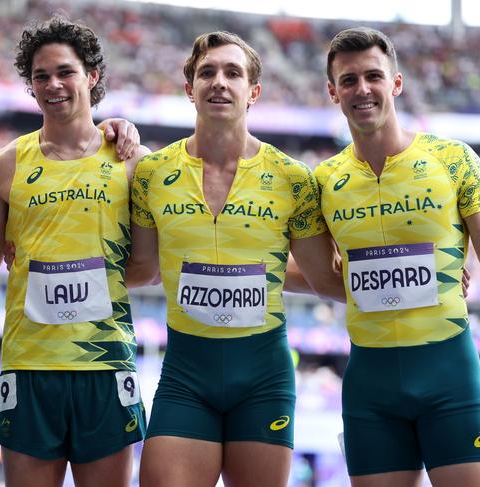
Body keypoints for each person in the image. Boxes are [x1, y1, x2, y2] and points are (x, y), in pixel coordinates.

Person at [127, 31, 344, 487]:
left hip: (263, 379)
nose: (219, 82)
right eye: (207, 72)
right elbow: (143, 269)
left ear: (254, 92)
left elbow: (324, 279)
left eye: (233, 73)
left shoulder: (292, 178)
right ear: (190, 89)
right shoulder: (153, 173)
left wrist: (434, 271)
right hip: (186, 377)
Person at [0, 16, 149, 487]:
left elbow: (148, 268)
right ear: (30, 86)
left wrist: (96, 275)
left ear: (91, 76)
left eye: (65, 72)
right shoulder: (3, 166)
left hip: (105, 363)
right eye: (41, 76)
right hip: (29, 367)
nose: (53, 84)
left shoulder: (132, 161)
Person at [316, 26, 480, 487]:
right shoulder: (323, 181)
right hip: (370, 388)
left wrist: (454, 267)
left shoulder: (454, 159)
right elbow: (317, 270)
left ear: (396, 82)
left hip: (450, 377)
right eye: (348, 80)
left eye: (374, 76)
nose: (362, 89)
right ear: (333, 91)